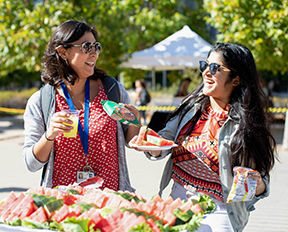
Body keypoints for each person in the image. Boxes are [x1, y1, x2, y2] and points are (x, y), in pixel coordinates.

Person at [140, 43, 277, 231]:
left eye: (215, 68)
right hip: (177, 202)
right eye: (204, 65)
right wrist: (148, 141)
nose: (206, 72)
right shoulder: (190, 109)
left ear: (236, 80)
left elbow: (261, 182)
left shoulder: (247, 125)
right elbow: (163, 141)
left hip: (220, 211)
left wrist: (257, 184)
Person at [23, 20, 140, 192]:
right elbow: (31, 164)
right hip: (63, 205)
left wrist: (135, 121)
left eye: (96, 47)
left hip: (110, 201)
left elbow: (131, 142)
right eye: (86, 47)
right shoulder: (41, 101)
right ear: (63, 52)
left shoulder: (113, 91)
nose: (94, 54)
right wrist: (49, 135)